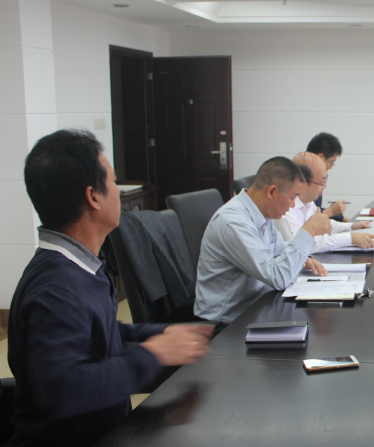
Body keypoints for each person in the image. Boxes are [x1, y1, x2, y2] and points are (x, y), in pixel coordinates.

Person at [9, 130, 212, 447]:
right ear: (93, 197)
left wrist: (163, 333)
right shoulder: (55, 287)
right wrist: (153, 354)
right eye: (114, 182)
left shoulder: (82, 264)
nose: (118, 192)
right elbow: (63, 390)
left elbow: (99, 335)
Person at [194, 156, 333, 324]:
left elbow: (280, 250)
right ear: (272, 192)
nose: (292, 205)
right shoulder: (234, 222)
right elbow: (278, 277)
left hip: (256, 305)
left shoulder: (261, 213)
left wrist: (303, 259)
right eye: (292, 197)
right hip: (226, 323)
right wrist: (308, 231)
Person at [273, 152, 374, 252]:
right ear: (302, 182)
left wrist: (351, 227)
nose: (324, 186)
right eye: (321, 182)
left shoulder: (308, 202)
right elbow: (301, 244)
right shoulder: (284, 208)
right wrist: (350, 239)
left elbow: (325, 225)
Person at [307, 132, 346, 222]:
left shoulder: (314, 178)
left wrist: (345, 220)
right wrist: (330, 211)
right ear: (320, 157)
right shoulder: (302, 182)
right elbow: (306, 220)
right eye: (331, 162)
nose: (330, 167)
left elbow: (314, 210)